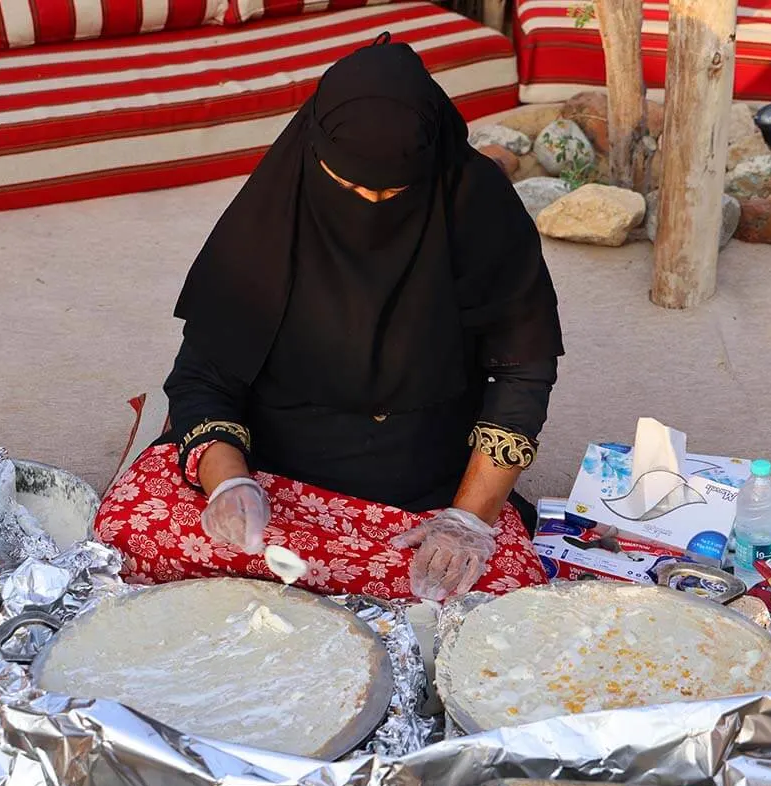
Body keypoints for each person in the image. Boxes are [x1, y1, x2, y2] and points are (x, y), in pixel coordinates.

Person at [95, 35, 563, 601]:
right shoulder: (277, 210)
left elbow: (521, 372)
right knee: (126, 531)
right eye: (347, 186)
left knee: (503, 593)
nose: (368, 203)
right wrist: (229, 482)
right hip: (273, 469)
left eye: (393, 192)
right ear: (313, 153)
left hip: (421, 488)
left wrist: (467, 520)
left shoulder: (477, 206)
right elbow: (205, 374)